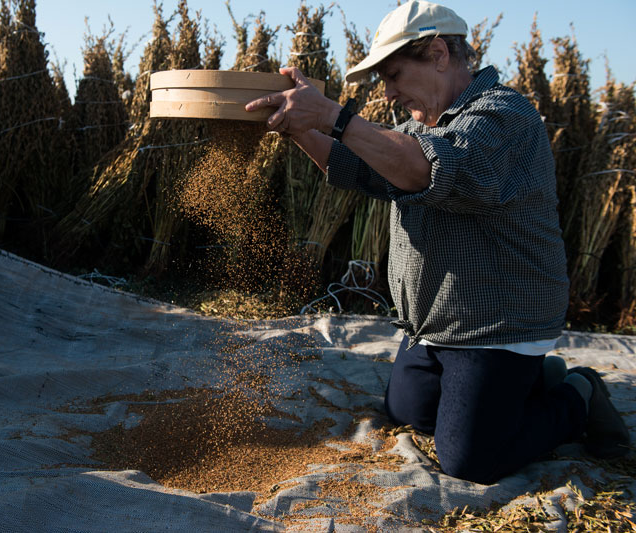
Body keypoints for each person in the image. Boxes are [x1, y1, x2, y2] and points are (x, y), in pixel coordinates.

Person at [246, 0, 630, 484]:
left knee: (470, 459)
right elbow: (355, 165)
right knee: (410, 412)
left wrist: (335, 117)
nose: (387, 93)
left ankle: (577, 395)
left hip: (498, 320)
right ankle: (529, 385)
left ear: (438, 53)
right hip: (436, 320)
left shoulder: (503, 116)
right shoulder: (422, 126)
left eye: (394, 75)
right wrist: (299, 127)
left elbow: (427, 168)